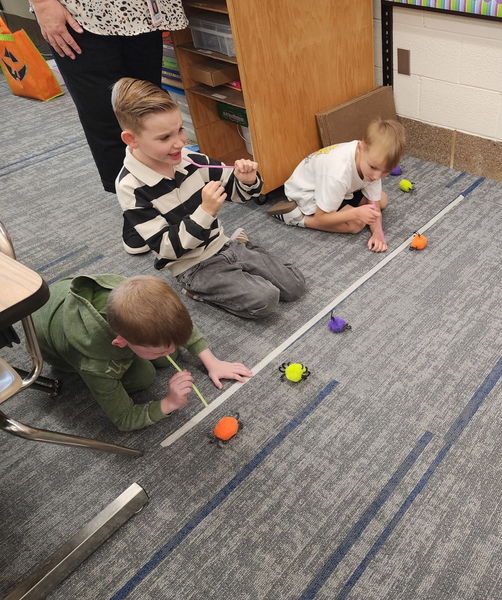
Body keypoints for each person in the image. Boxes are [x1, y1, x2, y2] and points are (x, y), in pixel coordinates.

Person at [112, 77, 306, 319]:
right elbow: (165, 249)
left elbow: (236, 191)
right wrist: (205, 212)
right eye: (165, 138)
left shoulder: (189, 159)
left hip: (222, 243)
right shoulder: (131, 186)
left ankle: (241, 251)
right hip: (191, 264)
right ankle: (198, 291)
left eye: (180, 129)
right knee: (265, 300)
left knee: (296, 285)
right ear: (132, 140)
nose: (180, 142)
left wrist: (247, 180)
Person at [30, 0, 188, 254]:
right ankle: (135, 209)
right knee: (105, 118)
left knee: (148, 113)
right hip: (81, 12)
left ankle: (163, 194)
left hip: (141, 10)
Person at [31, 274, 252, 431]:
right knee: (144, 377)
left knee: (167, 360)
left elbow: (175, 325)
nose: (172, 350)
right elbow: (124, 419)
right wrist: (169, 402)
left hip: (62, 296)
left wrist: (211, 360)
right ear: (120, 342)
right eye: (159, 350)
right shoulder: (96, 363)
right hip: (55, 346)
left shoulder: (133, 294)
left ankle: (150, 356)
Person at [271, 119, 405, 253]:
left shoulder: (373, 162)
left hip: (339, 188)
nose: (376, 176)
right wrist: (355, 213)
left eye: (385, 172)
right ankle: (299, 219)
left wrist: (378, 233)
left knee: (382, 200)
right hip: (306, 191)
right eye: (373, 168)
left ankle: (345, 207)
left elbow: (374, 206)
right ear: (360, 147)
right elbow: (321, 217)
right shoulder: (338, 173)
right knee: (355, 224)